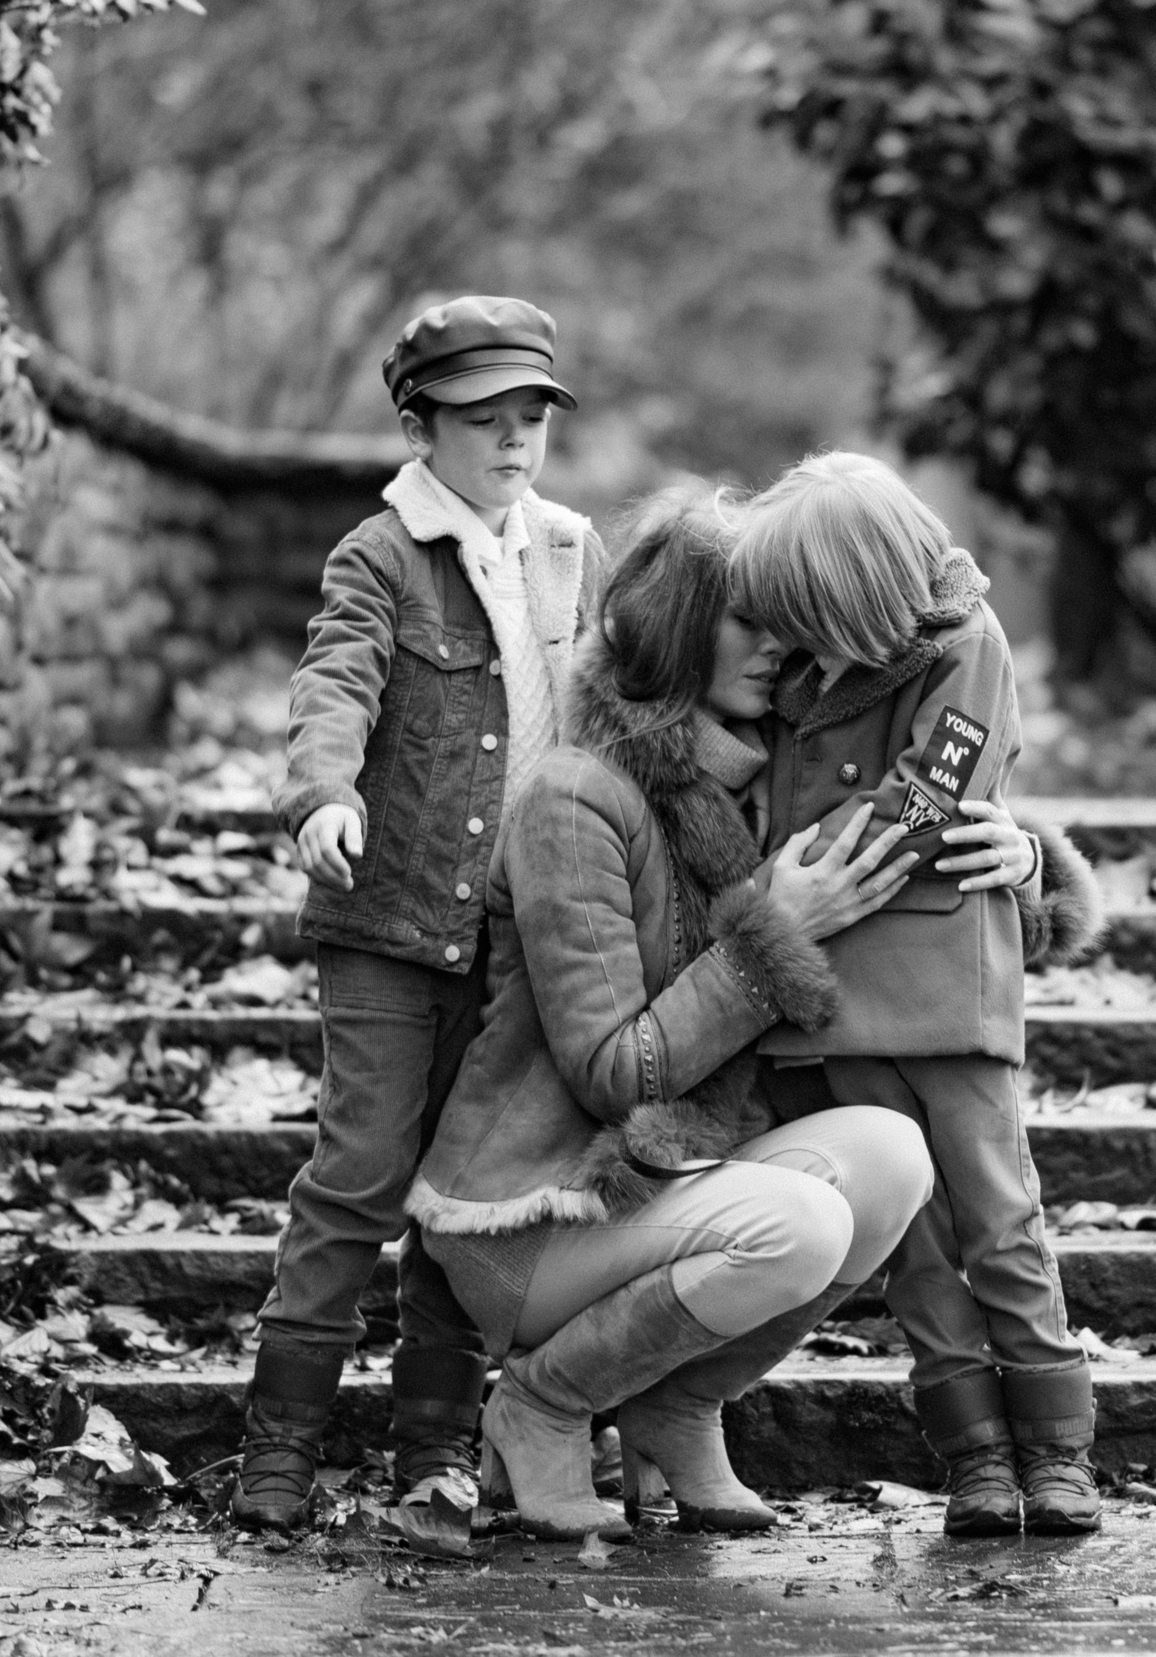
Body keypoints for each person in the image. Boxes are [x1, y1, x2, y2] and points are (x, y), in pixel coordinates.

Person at [406, 494, 940, 1540]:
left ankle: (675, 1401)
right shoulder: (576, 798)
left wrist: (1015, 852)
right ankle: (542, 1403)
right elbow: (612, 1071)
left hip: (664, 1193)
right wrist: (772, 935)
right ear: (676, 629)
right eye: (749, 620)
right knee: (804, 1222)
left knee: (891, 1159)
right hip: (536, 1217)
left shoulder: (746, 787)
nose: (779, 643)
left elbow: (927, 783)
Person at [245, 296, 608, 1529]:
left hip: (523, 940)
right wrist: (320, 794)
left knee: (463, 1199)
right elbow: (334, 677)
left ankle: (432, 1456)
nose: (513, 443)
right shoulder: (382, 553)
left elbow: (614, 709)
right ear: (418, 426)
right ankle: (279, 1454)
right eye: (482, 420)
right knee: (357, 1179)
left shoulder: (570, 547)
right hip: (387, 919)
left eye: (530, 419)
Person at [733, 452, 1106, 1538]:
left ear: (856, 592)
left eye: (809, 614)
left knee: (999, 1218)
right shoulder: (799, 672)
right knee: (915, 1249)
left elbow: (932, 793)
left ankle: (1056, 1445)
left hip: (947, 977)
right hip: (833, 991)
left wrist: (797, 872)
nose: (791, 640)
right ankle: (974, 1455)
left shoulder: (965, 641)